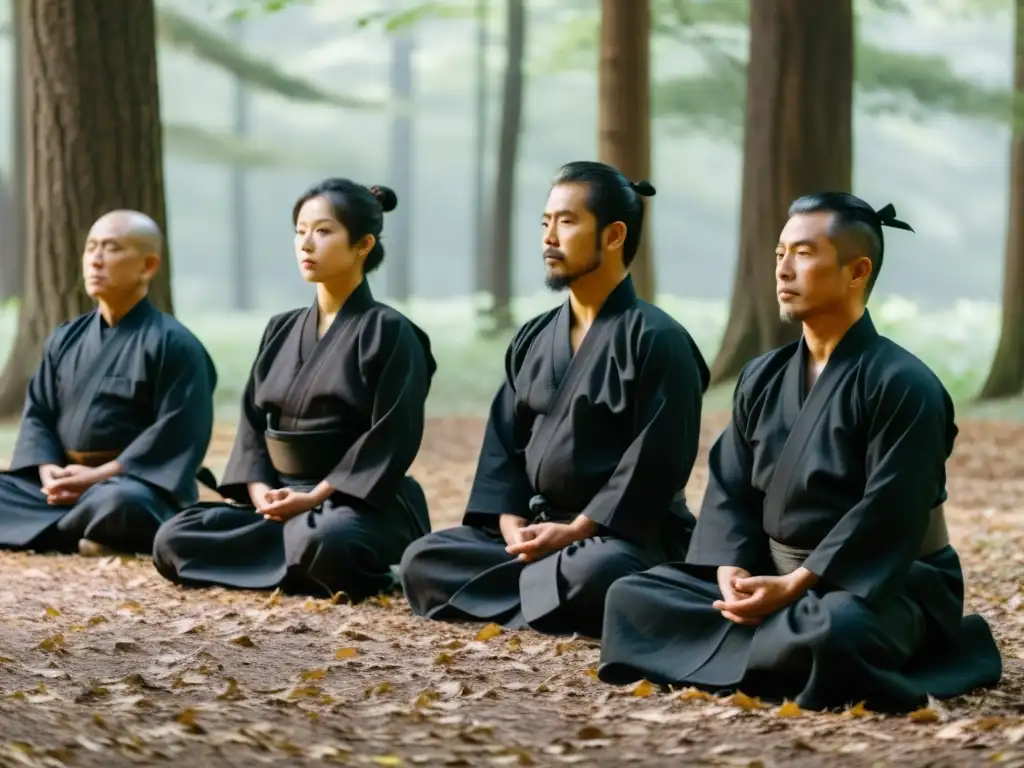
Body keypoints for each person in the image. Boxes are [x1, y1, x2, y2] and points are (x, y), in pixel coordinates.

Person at [598, 192, 1003, 712]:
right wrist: (733, 567)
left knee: (838, 630)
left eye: (804, 254)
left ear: (857, 271)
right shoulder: (762, 375)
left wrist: (797, 584)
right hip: (773, 572)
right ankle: (778, 648)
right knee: (631, 596)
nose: (783, 269)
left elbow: (891, 511)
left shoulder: (904, 384)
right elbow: (730, 486)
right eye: (779, 254)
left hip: (883, 582)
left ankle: (926, 643)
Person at [399, 161, 710, 638]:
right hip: (537, 532)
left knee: (599, 574)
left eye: (566, 222)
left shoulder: (658, 339)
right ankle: (544, 595)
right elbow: (503, 446)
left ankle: (522, 594)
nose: (549, 237)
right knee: (424, 559)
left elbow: (655, 465)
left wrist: (577, 530)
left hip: (620, 537)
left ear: (613, 235)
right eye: (545, 222)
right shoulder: (534, 336)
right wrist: (511, 525)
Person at [152, 178, 436, 602]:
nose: (306, 244)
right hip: (281, 502)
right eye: (300, 231)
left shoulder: (391, 331)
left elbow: (391, 436)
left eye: (323, 231)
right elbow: (253, 425)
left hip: (357, 504)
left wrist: (316, 497)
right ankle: (298, 564)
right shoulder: (280, 328)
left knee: (329, 540)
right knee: (174, 537)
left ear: (363, 245)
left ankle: (336, 565)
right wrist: (259, 493)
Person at [0, 210, 217, 557]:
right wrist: (48, 471)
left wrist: (97, 476)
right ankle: (80, 530)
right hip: (59, 488)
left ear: (147, 266)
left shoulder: (176, 345)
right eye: (91, 248)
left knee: (121, 504)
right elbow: (38, 413)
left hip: (131, 484)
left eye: (112, 248)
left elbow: (176, 434)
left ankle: (63, 529)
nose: (96, 260)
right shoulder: (64, 339)